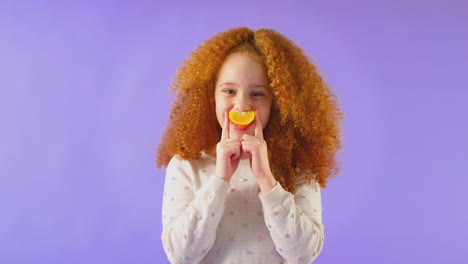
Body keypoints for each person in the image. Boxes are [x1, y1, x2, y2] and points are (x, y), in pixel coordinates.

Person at [156, 27, 343, 264]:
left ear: (279, 103)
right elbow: (181, 255)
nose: (242, 106)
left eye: (257, 94)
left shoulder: (297, 165)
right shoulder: (187, 165)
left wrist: (266, 179)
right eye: (229, 91)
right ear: (208, 96)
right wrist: (220, 179)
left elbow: (303, 254)